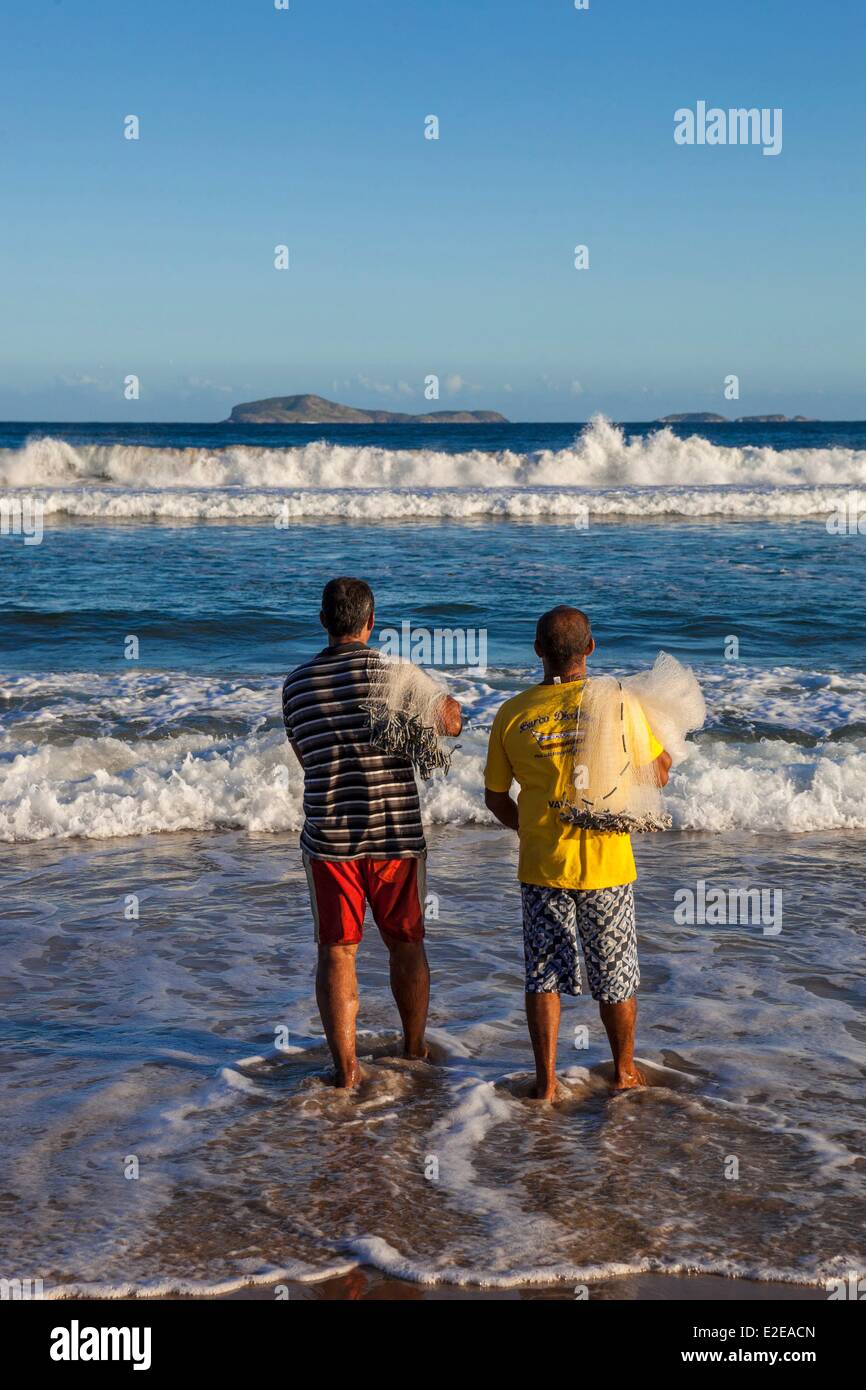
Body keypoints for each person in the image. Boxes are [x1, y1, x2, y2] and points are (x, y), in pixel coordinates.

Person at [483, 606, 671, 1098]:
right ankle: (624, 1071)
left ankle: (546, 1083)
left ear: (538, 650)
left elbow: (496, 797)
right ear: (591, 649)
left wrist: (530, 832)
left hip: (543, 865)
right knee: (617, 977)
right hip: (608, 865)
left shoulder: (513, 713)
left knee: (543, 977)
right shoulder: (620, 705)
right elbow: (660, 772)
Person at [282, 577, 462, 1088]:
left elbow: (306, 758)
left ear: (323, 621)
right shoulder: (394, 675)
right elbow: (452, 723)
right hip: (396, 835)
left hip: (330, 838)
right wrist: (433, 699)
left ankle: (347, 1071)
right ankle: (414, 1048)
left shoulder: (296, 684)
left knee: (337, 951)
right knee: (406, 943)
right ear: (371, 622)